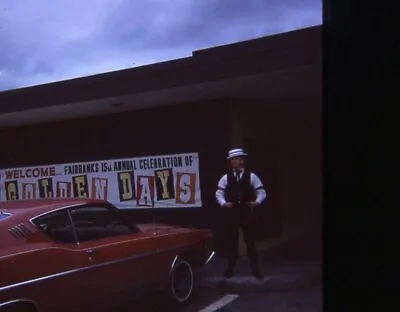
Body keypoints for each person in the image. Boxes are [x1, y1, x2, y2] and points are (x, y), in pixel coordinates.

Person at [215, 148, 267, 279]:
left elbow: (261, 192)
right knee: (231, 240)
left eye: (236, 158)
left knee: (250, 240)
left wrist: (257, 202)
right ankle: (230, 268)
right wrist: (223, 203)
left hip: (246, 212)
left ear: (242, 160)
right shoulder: (226, 177)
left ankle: (255, 269)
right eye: (232, 159)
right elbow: (219, 193)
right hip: (232, 213)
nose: (234, 161)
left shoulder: (252, 176)